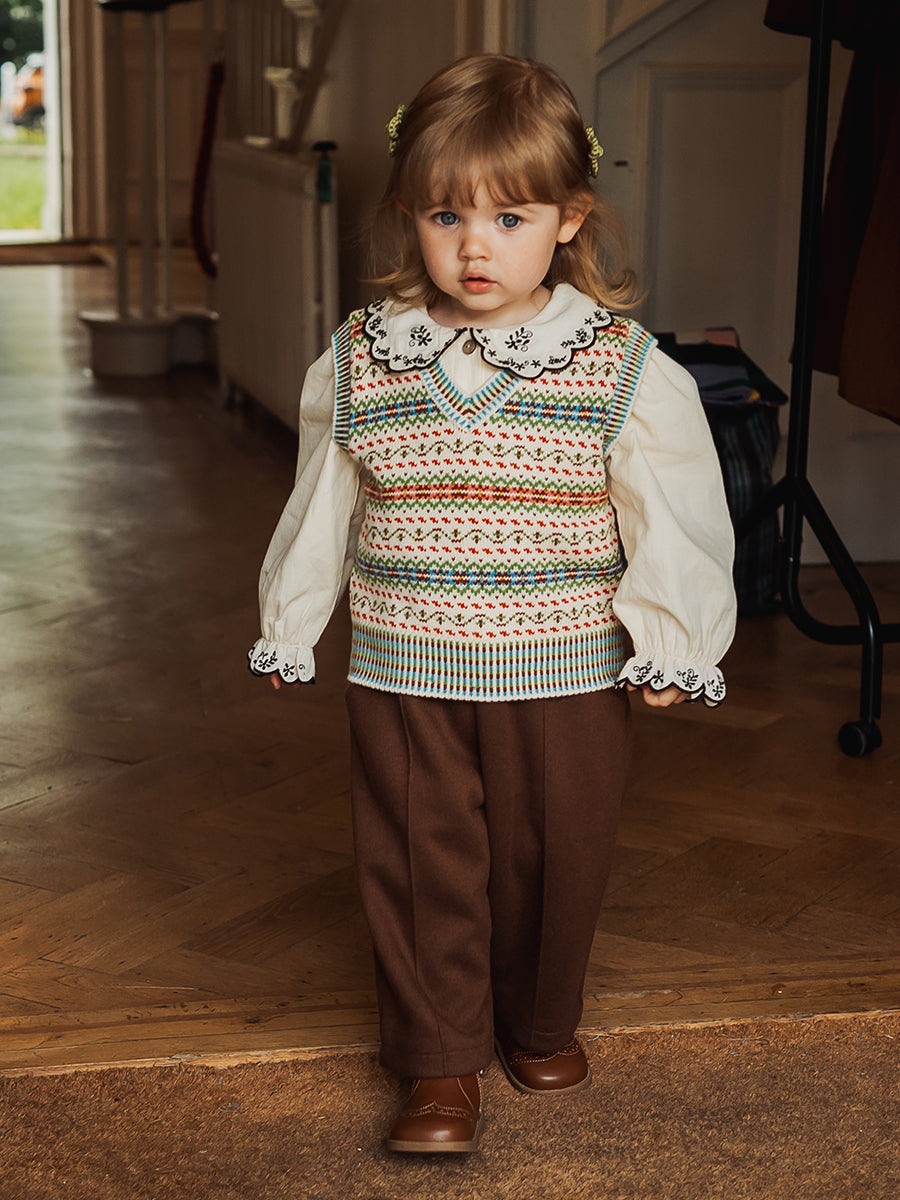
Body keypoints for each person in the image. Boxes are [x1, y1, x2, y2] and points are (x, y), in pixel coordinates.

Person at [249, 53, 736, 1154]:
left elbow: (673, 510)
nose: (476, 248)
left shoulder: (617, 366)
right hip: (403, 668)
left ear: (569, 219)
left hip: (564, 670)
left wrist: (672, 639)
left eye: (509, 218)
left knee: (554, 858)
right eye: (446, 217)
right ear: (408, 216)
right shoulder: (365, 359)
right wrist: (292, 623)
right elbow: (320, 503)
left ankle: (537, 1018)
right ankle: (439, 1062)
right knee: (421, 863)